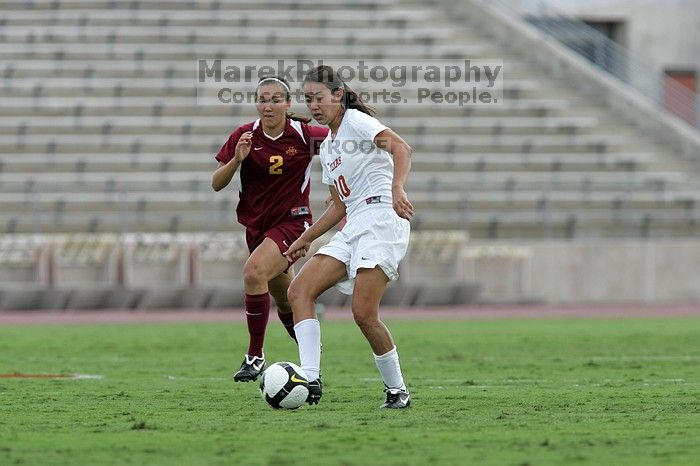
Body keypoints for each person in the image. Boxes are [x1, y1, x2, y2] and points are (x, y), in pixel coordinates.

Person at [285, 65, 414, 409]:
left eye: (319, 98)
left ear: (338, 95)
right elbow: (340, 206)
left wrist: (397, 186)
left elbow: (401, 148)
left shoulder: (356, 121)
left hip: (383, 219)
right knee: (299, 290)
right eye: (308, 99)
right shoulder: (327, 147)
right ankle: (309, 379)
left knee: (363, 313)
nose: (313, 105)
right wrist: (306, 238)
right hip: (355, 223)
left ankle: (397, 391)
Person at [212, 75, 329, 382]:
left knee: (253, 272)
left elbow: (341, 142)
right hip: (257, 227)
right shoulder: (245, 135)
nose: (268, 105)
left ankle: (254, 356)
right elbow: (216, 183)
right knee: (286, 298)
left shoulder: (305, 135)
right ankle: (311, 352)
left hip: (293, 222)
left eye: (276, 100)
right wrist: (236, 160)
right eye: (263, 99)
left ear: (288, 104)